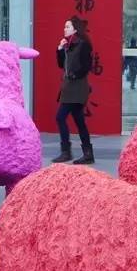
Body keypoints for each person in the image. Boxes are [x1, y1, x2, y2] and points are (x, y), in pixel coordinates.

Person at [52, 16, 95, 165]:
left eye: (68, 27)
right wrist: (59, 49)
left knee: (60, 117)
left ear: (75, 29)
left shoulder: (82, 44)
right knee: (79, 120)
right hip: (68, 87)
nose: (65, 29)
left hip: (77, 87)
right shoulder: (68, 45)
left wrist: (75, 74)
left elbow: (87, 65)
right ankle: (87, 153)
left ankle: (66, 151)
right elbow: (61, 65)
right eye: (64, 27)